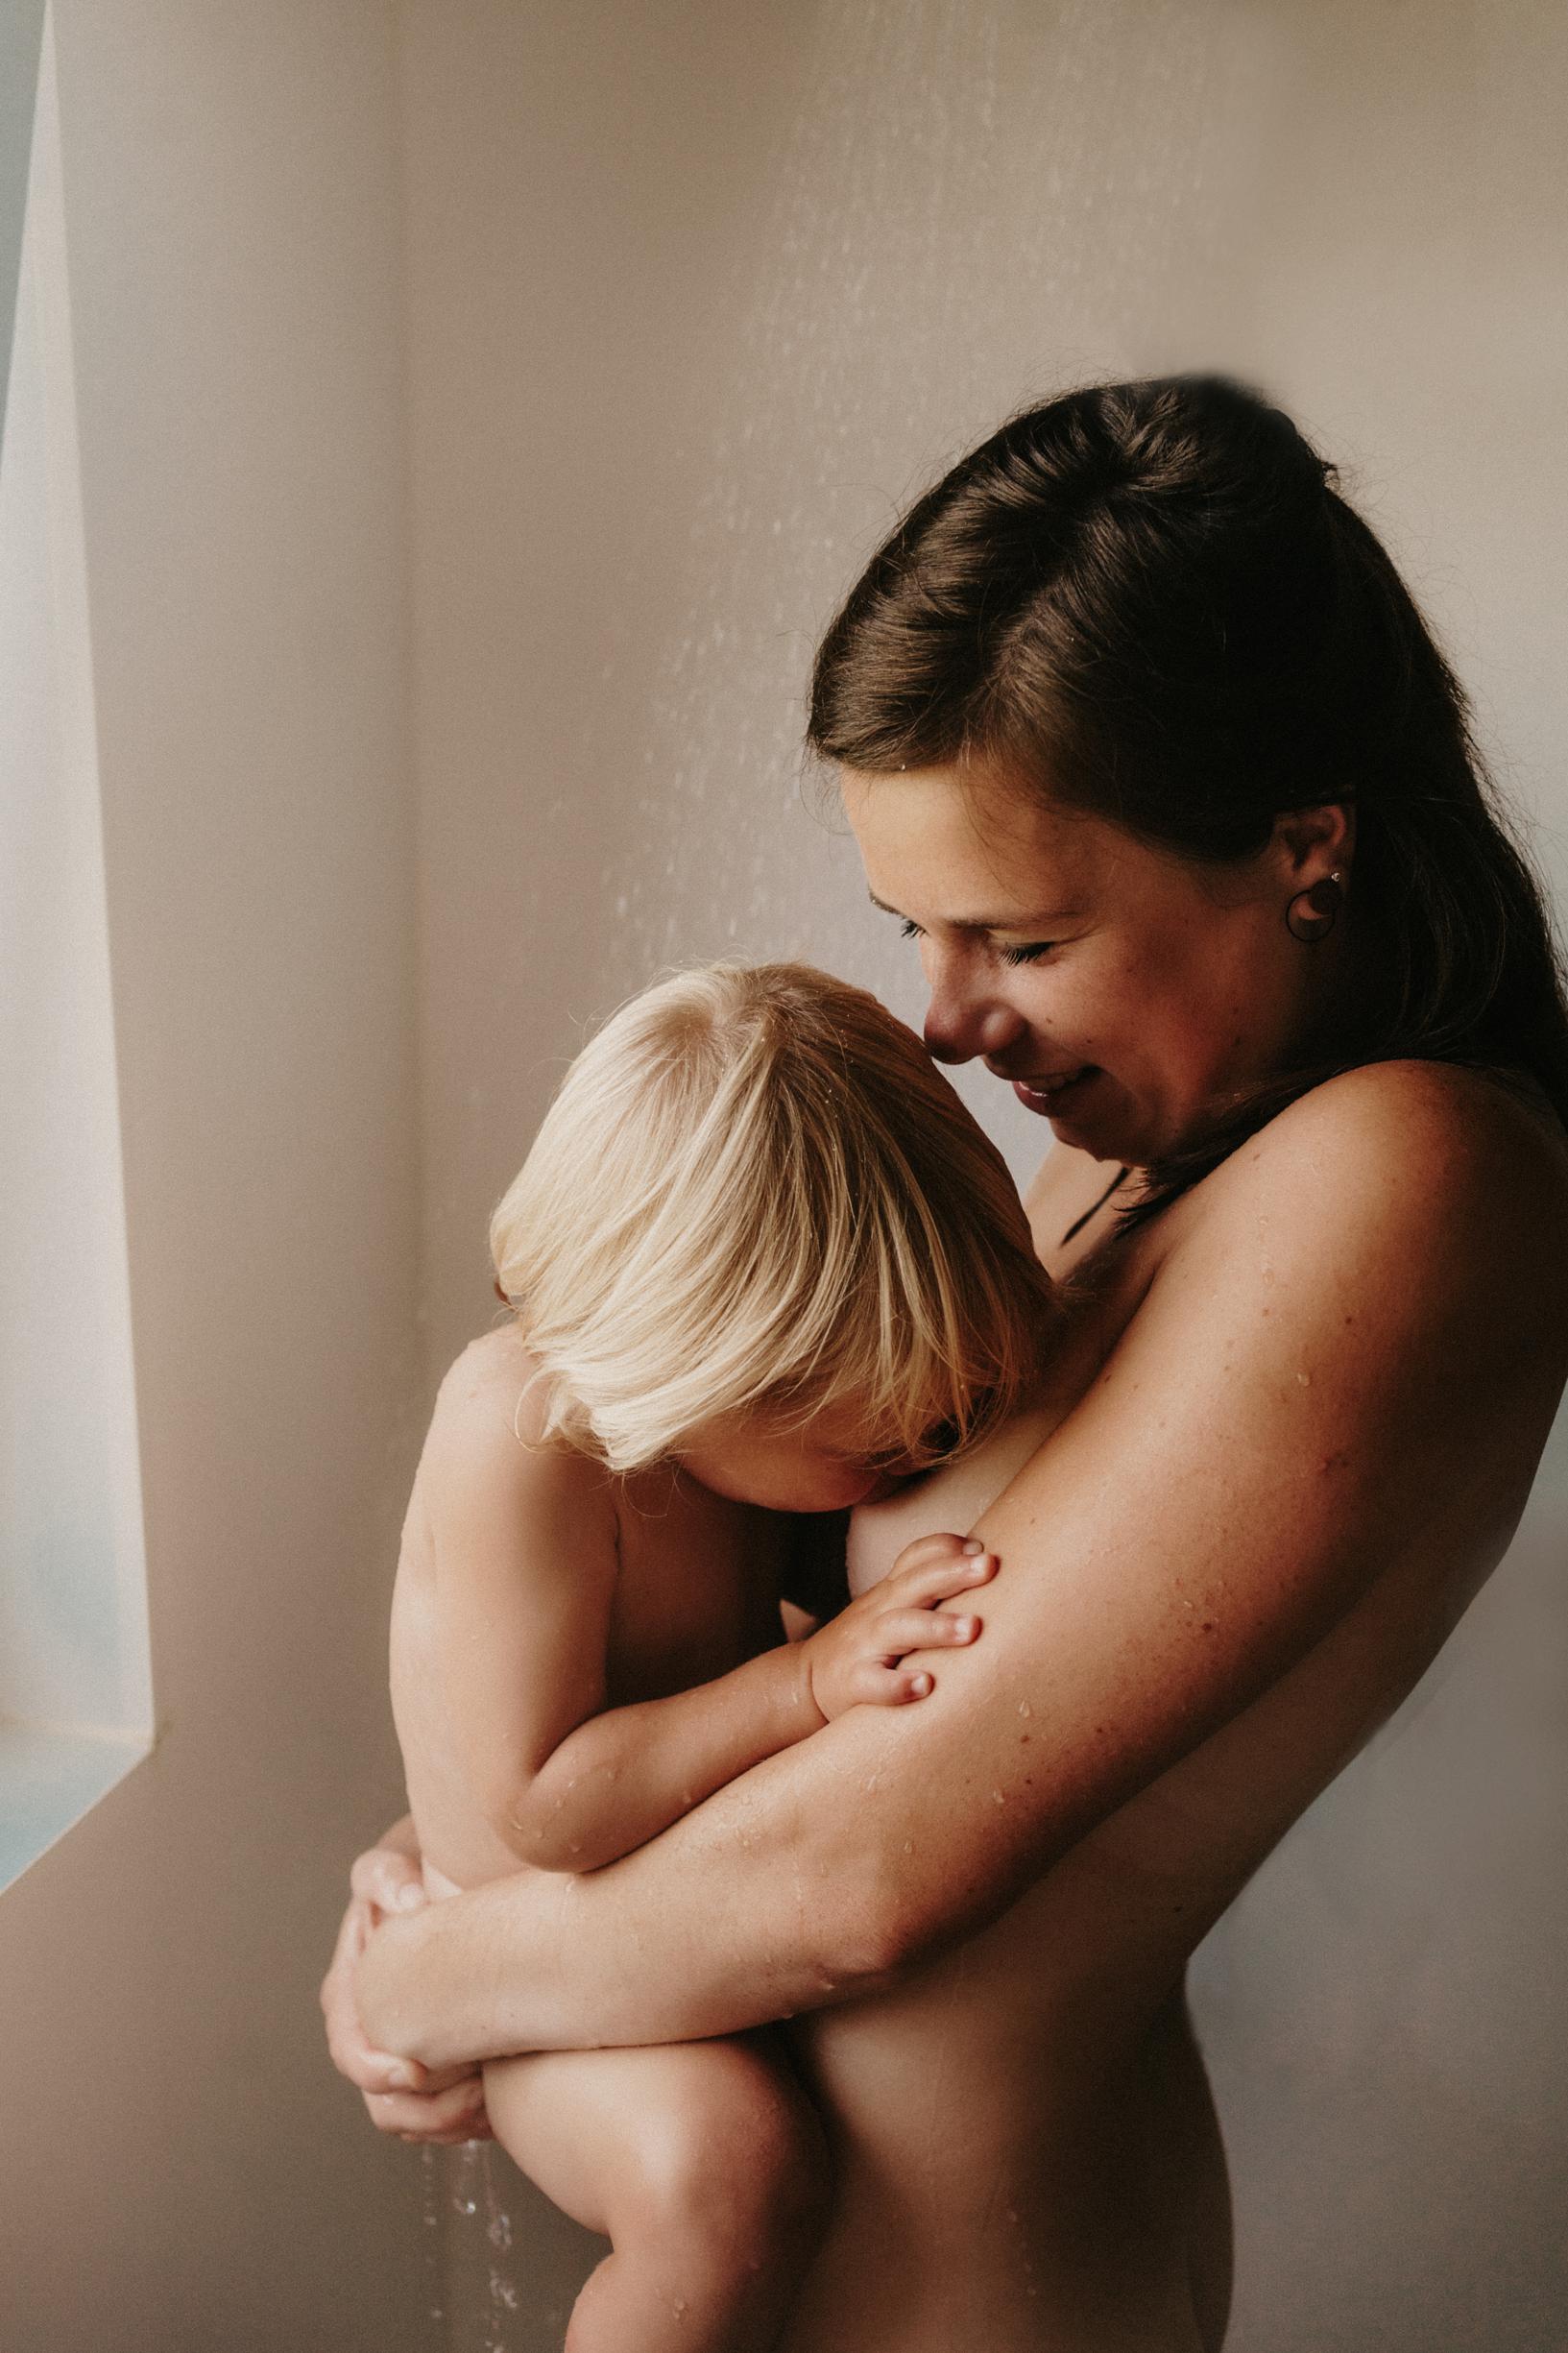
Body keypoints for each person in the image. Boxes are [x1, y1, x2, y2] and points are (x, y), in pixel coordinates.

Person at [324, 375, 1568, 2352]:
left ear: (1303, 847)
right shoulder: (1101, 1166)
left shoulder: (1409, 1179)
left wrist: (435, 1978)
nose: (948, 1022)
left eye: (1025, 937)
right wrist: (448, 1843)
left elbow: (863, 1869)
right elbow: (747, 1690)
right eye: (914, 927)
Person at [386, 960, 1055, 2352]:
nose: (917, 1459)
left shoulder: (729, 1451)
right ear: (709, 1367)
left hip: (665, 1923)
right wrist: (804, 1683)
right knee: (723, 2173)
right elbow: (545, 1805)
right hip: (541, 1976)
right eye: (880, 1447)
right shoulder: (519, 1437)